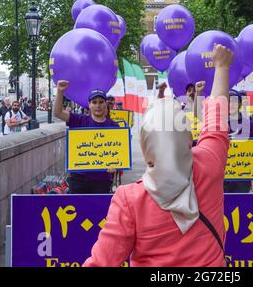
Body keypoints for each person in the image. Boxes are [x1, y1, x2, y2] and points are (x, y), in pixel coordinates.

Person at [83, 43, 232, 267]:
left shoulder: (129, 200)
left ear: (145, 147)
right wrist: (221, 67)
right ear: (186, 137)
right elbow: (216, 122)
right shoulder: (209, 163)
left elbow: (102, 262)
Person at [53, 82, 119, 194]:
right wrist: (60, 91)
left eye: (101, 102)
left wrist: (116, 167)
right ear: (89, 104)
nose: (98, 105)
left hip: (102, 180)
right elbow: (58, 112)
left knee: (97, 212)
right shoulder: (79, 120)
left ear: (105, 104)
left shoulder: (114, 126)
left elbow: (119, 152)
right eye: (94, 102)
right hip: (78, 179)